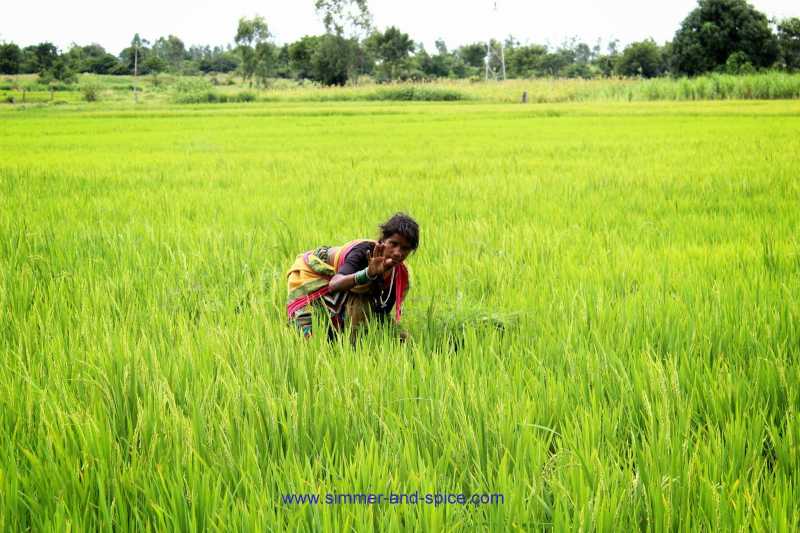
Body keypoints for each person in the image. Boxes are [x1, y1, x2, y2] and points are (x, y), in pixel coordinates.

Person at [286, 213, 419, 341]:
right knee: (310, 336)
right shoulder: (363, 252)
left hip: (346, 285)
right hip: (315, 275)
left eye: (405, 248)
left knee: (397, 336)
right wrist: (368, 274)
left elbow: (380, 312)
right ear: (383, 240)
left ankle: (349, 342)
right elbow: (334, 284)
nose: (397, 253)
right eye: (393, 244)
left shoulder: (399, 276)